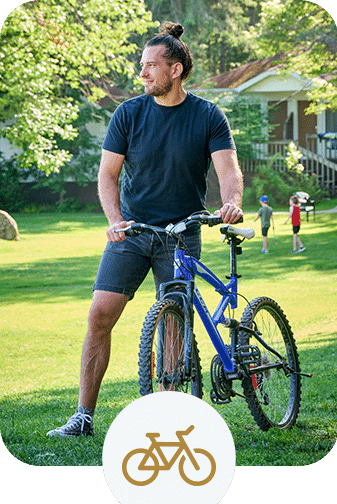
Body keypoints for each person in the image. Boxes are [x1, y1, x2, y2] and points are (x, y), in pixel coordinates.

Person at [47, 22, 243, 437]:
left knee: (173, 323)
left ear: (175, 70)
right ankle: (83, 416)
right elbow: (106, 175)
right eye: (142, 65)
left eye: (151, 65)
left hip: (182, 233)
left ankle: (170, 419)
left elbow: (228, 169)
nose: (142, 73)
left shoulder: (207, 115)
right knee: (99, 315)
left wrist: (232, 202)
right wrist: (115, 219)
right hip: (133, 232)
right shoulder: (129, 113)